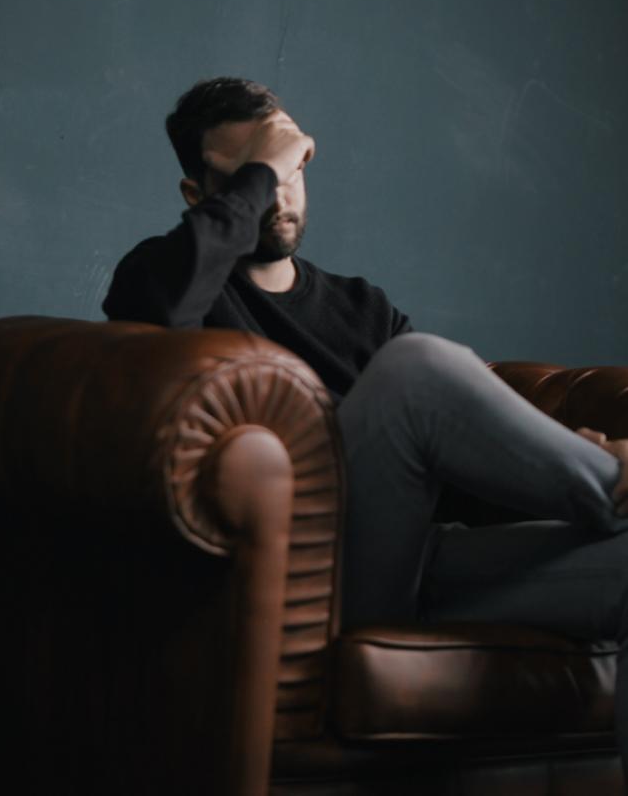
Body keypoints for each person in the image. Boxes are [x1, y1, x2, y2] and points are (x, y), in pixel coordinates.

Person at [102, 76, 628, 771]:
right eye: (255, 175)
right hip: (312, 584)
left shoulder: (360, 306)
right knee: (416, 369)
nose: (279, 192)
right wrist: (264, 165)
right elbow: (158, 315)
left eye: (291, 168)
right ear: (202, 196)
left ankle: (604, 486)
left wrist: (550, 459)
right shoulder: (164, 277)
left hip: (421, 565)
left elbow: (454, 471)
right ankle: (614, 484)